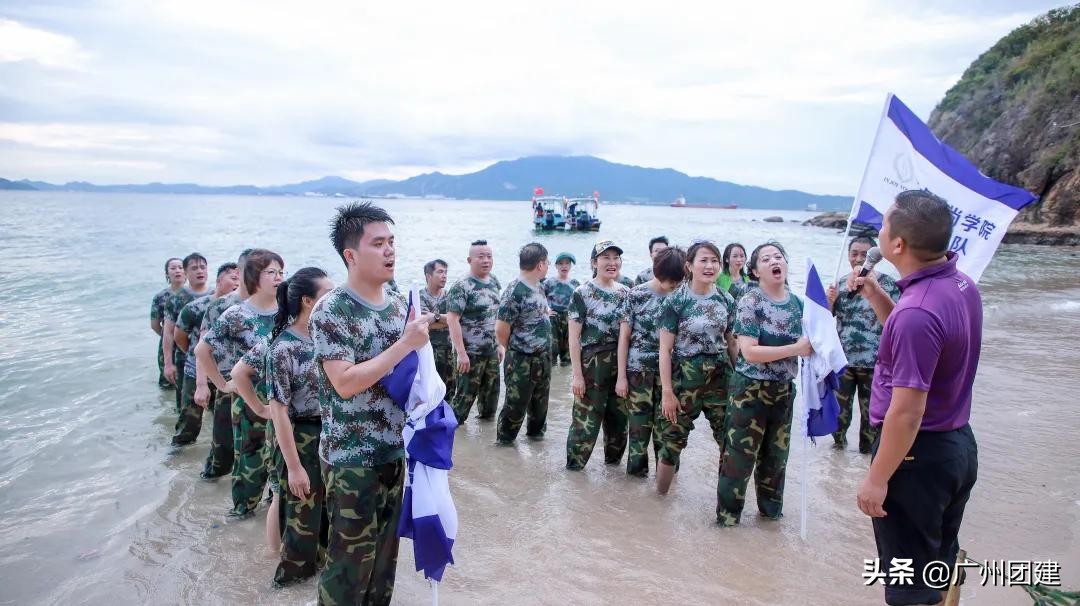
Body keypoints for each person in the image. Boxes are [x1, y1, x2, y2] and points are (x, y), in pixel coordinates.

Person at [852, 190, 981, 606]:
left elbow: (907, 412)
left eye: (884, 224)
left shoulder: (917, 313)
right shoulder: (959, 284)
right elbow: (922, 338)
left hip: (916, 456)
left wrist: (877, 478)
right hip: (956, 447)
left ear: (898, 245)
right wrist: (876, 296)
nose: (879, 231)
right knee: (937, 565)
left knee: (909, 589)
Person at [310, 202, 430, 605]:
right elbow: (344, 383)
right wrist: (404, 344)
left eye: (392, 242)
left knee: (383, 563)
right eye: (378, 243)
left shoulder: (399, 305)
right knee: (348, 566)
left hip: (394, 452)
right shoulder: (332, 309)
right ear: (351, 255)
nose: (390, 251)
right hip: (350, 459)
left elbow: (410, 374)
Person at [716, 241, 812, 526]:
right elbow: (749, 352)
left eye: (779, 256)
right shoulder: (751, 301)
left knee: (776, 459)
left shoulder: (797, 304)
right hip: (750, 391)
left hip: (783, 391)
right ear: (755, 271)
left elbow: (816, 338)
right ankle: (727, 520)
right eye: (767, 258)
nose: (775, 261)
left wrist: (828, 302)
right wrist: (795, 349)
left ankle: (771, 519)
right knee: (738, 459)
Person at [195, 248, 283, 518]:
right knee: (249, 462)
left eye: (281, 272)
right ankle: (242, 515)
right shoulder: (237, 314)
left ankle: (273, 513)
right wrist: (222, 385)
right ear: (255, 276)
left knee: (280, 462)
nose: (279, 277)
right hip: (249, 402)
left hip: (281, 402)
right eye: (272, 272)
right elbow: (202, 350)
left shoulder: (287, 311)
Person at [264, 267, 334, 587]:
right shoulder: (284, 347)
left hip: (331, 433)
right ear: (308, 301)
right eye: (327, 295)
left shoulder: (328, 336)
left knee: (328, 516)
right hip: (301, 437)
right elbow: (278, 410)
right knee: (302, 519)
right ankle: (287, 585)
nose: (334, 300)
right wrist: (293, 467)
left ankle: (319, 579)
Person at [655, 241, 738, 494]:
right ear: (689, 266)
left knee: (729, 441)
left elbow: (732, 343)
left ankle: (726, 502)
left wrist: (739, 382)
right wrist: (667, 393)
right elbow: (665, 350)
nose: (710, 266)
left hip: (720, 378)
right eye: (704, 260)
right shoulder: (676, 301)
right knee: (672, 442)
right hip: (684, 380)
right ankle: (658, 503)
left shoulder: (726, 299)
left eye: (714, 260)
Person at [826, 236, 901, 453]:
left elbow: (898, 320)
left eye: (864, 254)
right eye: (854, 253)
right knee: (839, 414)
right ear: (848, 255)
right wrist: (828, 302)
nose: (858, 258)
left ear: (874, 257)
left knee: (872, 418)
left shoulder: (889, 285)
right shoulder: (839, 284)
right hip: (844, 362)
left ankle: (865, 459)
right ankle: (837, 457)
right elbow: (826, 320)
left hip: (876, 363)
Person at [616, 246, 685, 478]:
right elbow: (624, 338)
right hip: (638, 373)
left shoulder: (682, 296)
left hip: (671, 375)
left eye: (678, 281)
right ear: (657, 272)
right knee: (638, 431)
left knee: (668, 429)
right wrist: (621, 377)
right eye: (669, 281)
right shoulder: (636, 295)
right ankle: (636, 489)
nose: (673, 286)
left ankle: (664, 485)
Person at [566, 240, 630, 470]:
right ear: (594, 262)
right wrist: (577, 375)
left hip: (620, 362)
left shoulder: (625, 292)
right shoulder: (582, 293)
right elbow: (573, 337)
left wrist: (623, 374)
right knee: (585, 422)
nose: (612, 263)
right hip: (592, 363)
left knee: (618, 421)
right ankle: (574, 472)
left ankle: (612, 472)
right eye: (606, 258)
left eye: (616, 258)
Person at [195, 248, 252, 480]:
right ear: (240, 271)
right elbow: (202, 347)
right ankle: (206, 492)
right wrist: (202, 384)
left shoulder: (276, 304)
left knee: (256, 448)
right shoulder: (220, 306)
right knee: (223, 446)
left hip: (259, 385)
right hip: (228, 384)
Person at [171, 262, 239, 446]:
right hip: (196, 373)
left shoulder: (240, 307)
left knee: (222, 425)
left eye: (240, 279)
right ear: (218, 280)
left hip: (225, 374)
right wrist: (199, 370)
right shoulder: (196, 307)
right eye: (233, 278)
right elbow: (179, 337)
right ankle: (176, 459)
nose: (237, 283)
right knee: (189, 423)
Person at [494, 243, 552, 444]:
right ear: (541, 264)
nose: (548, 266)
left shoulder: (539, 286)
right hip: (521, 359)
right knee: (515, 407)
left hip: (543, 357)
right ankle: (503, 446)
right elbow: (501, 330)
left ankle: (536, 447)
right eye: (548, 262)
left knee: (540, 407)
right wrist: (518, 349)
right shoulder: (514, 291)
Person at [446, 240, 503, 424]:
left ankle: (483, 445)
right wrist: (461, 353)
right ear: (470, 260)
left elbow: (497, 314)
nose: (486, 260)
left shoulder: (494, 280)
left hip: (492, 352)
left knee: (490, 404)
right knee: (462, 403)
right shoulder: (462, 286)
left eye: (489, 256)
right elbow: (452, 319)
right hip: (470, 354)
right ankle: (453, 443)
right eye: (481, 257)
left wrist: (501, 344)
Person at [162, 253, 211, 414]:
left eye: (203, 267)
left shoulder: (216, 295)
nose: (200, 271)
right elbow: (168, 333)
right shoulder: (177, 299)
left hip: (213, 359)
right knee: (186, 407)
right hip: (186, 358)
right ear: (185, 272)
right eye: (194, 268)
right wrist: (169, 364)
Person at [420, 259, 455, 402]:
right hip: (428, 351)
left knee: (450, 390)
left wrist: (434, 317)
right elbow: (422, 323)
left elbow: (455, 320)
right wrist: (446, 321)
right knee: (430, 392)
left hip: (449, 351)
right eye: (440, 272)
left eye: (446, 272)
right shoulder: (420, 296)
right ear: (429, 276)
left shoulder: (449, 296)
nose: (444, 276)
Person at [151, 257, 185, 388]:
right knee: (168, 382)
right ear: (167, 274)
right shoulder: (160, 297)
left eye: (180, 267)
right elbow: (154, 325)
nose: (177, 271)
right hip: (168, 345)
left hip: (189, 343)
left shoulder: (195, 295)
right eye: (173, 268)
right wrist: (168, 336)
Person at [542, 252, 579, 367]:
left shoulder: (575, 283)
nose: (564, 266)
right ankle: (552, 379)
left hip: (569, 318)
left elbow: (579, 303)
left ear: (571, 265)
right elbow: (540, 297)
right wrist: (546, 310)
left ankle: (564, 379)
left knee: (568, 352)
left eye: (567, 263)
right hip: (553, 318)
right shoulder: (549, 282)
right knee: (552, 350)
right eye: (561, 264)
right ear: (556, 266)